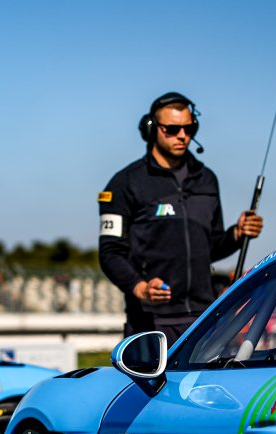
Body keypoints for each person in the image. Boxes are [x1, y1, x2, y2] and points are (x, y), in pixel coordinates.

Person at [98, 91, 264, 344]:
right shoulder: (125, 183)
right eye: (173, 129)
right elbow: (110, 253)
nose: (183, 135)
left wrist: (236, 234)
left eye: (189, 128)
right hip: (149, 321)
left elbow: (210, 248)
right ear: (151, 128)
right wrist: (141, 288)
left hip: (203, 319)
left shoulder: (207, 179)